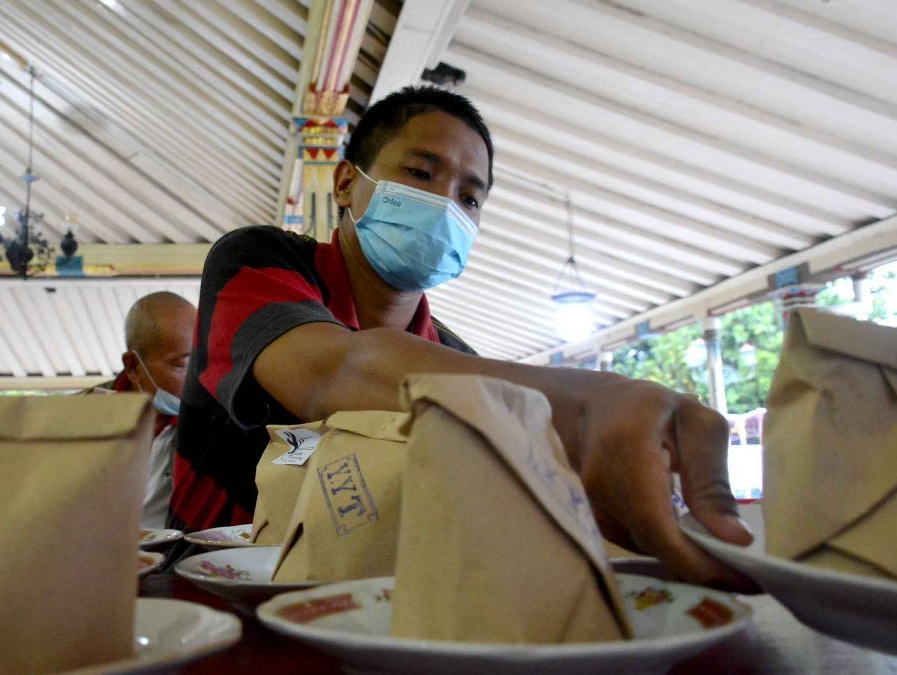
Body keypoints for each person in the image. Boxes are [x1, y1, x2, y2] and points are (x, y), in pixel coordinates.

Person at [172, 85, 751, 589]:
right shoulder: (259, 263)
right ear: (347, 182)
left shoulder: (454, 361)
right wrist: (576, 410)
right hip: (215, 602)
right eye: (421, 174)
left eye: (470, 197)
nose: (445, 203)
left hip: (371, 608)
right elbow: (335, 372)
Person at [120, 291, 196, 529]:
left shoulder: (209, 430)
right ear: (133, 366)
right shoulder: (87, 426)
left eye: (202, 362)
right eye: (182, 365)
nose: (198, 378)